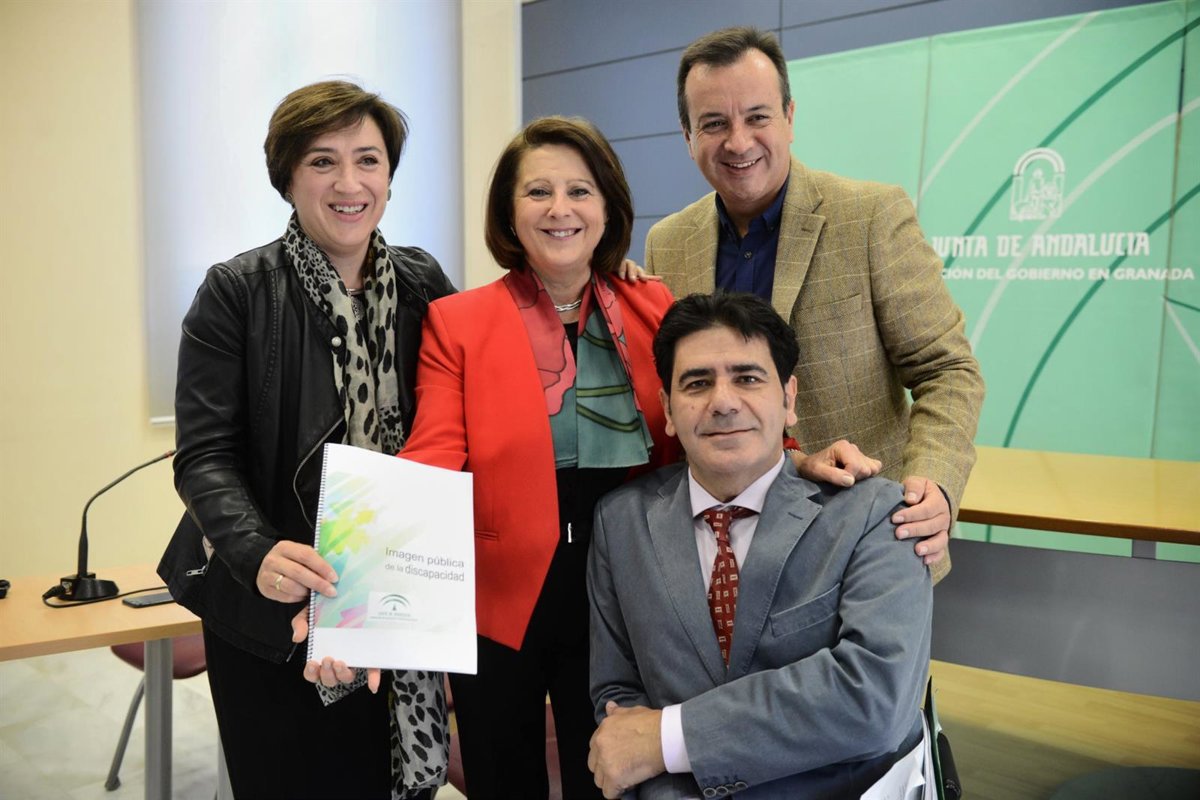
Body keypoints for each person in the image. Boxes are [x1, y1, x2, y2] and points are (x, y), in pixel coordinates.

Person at [157, 80, 457, 799]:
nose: (350, 183)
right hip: (274, 610)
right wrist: (257, 553)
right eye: (323, 161)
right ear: (287, 179)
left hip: (396, 600)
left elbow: (463, 422)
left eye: (368, 160)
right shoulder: (236, 291)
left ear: (389, 176)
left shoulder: (424, 284)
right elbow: (204, 456)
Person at [645, 27, 985, 580]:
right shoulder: (668, 242)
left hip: (862, 543)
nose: (738, 142)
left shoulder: (870, 216)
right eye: (714, 123)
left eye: (757, 116)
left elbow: (947, 370)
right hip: (725, 555)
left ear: (789, 116)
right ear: (687, 135)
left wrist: (934, 483)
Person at [587, 292, 933, 799]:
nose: (723, 402)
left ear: (789, 399)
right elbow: (619, 702)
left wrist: (670, 740)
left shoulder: (875, 514)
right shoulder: (620, 522)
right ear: (667, 409)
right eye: (697, 383)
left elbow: (875, 701)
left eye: (748, 378)